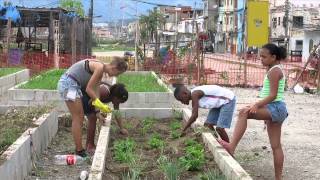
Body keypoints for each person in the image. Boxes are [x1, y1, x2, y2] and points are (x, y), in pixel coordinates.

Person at [220, 44, 288, 180]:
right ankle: (278, 178)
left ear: (274, 57)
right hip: (276, 108)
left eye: (264, 56)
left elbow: (273, 95)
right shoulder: (274, 69)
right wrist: (258, 107)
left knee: (243, 113)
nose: (260, 59)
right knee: (276, 146)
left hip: (275, 107)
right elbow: (271, 95)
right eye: (260, 56)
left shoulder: (274, 71)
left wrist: (256, 105)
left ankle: (232, 146)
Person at [57, 57, 128, 157]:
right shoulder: (99, 68)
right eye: (118, 73)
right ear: (114, 68)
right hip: (68, 84)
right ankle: (79, 151)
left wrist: (98, 111)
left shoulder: (101, 70)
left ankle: (81, 149)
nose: (116, 75)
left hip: (73, 85)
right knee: (78, 117)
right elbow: (89, 89)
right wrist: (101, 104)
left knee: (80, 117)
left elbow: (96, 92)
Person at [83, 83, 129, 154]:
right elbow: (93, 99)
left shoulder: (114, 98)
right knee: (92, 118)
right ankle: (89, 146)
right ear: (115, 97)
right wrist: (97, 112)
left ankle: (90, 145)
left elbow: (117, 112)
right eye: (119, 101)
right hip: (84, 96)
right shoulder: (105, 91)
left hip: (91, 102)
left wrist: (121, 128)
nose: (118, 103)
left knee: (93, 117)